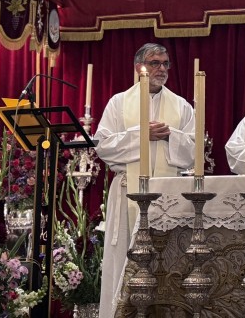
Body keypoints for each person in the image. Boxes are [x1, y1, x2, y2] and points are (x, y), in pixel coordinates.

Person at [94, 43, 195, 317]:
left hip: (169, 194)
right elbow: (103, 146)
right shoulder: (119, 103)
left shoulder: (182, 106)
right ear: (139, 67)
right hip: (128, 189)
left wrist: (170, 135)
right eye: (154, 63)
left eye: (165, 63)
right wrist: (142, 135)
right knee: (123, 259)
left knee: (168, 262)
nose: (161, 69)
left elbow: (193, 151)